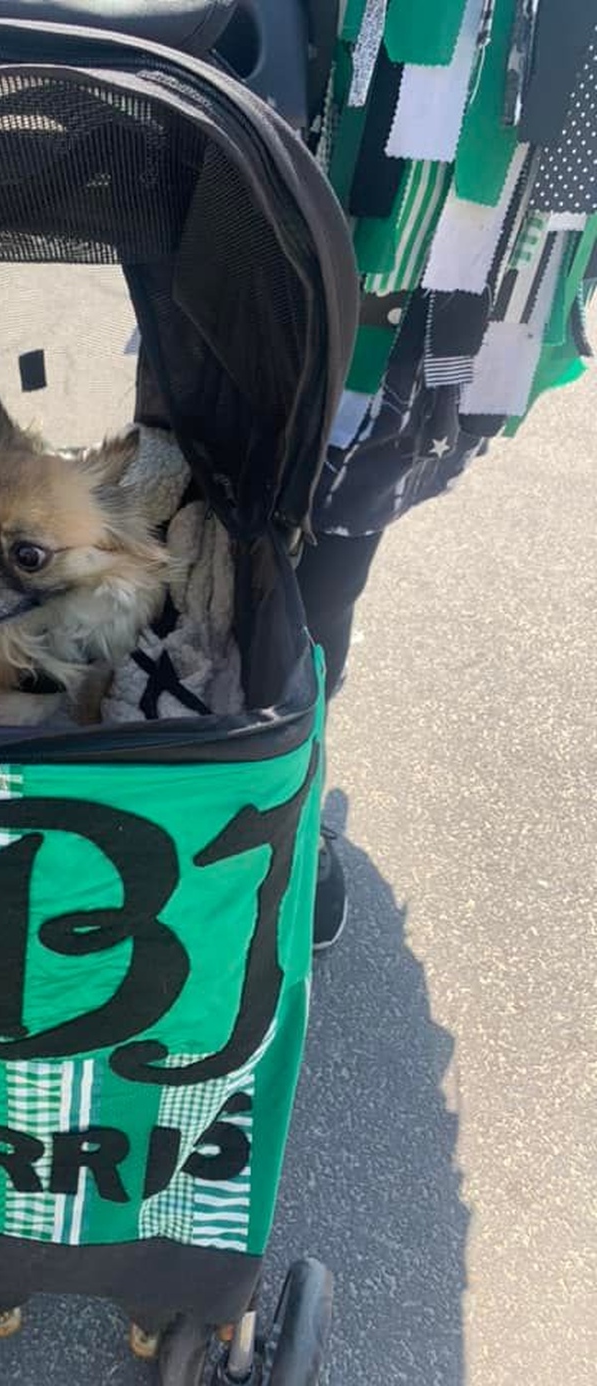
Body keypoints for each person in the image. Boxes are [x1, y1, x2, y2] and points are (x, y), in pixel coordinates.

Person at [299, 0, 597, 949]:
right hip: (315, 87)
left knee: (341, 520)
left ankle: (277, 794)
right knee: (204, 465)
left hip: (501, 131)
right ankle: (176, 758)